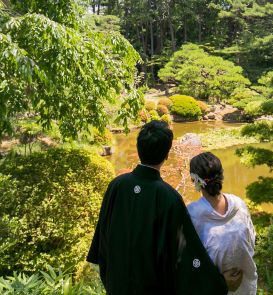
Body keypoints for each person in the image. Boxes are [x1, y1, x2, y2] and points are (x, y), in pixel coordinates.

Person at [87, 120, 242, 295]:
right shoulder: (169, 197)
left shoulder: (117, 185)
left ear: (138, 149)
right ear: (167, 155)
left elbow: (103, 239)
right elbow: (187, 255)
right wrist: (218, 283)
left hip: (118, 284)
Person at [187, 152, 257, 295]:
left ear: (196, 181)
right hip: (245, 287)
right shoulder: (239, 204)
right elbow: (251, 242)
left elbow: (189, 262)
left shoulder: (192, 215)